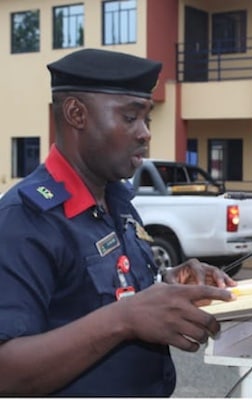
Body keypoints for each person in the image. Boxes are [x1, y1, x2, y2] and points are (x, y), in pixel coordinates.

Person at [0, 48, 238, 396]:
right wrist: (124, 319)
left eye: (147, 120)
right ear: (76, 113)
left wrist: (168, 283)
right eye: (129, 118)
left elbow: (116, 288)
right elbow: (6, 371)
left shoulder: (118, 200)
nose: (144, 133)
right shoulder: (25, 219)